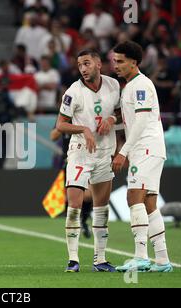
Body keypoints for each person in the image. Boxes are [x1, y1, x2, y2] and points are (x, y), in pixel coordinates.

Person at [57, 49, 121, 272]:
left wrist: (112, 118)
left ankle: (100, 260)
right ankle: (73, 259)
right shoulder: (73, 92)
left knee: (101, 208)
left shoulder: (114, 86)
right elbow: (61, 125)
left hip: (105, 152)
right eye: (79, 65)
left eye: (86, 63)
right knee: (74, 204)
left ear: (98, 64)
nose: (83, 69)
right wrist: (84, 128)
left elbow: (124, 113)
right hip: (80, 153)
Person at [112, 40, 172, 273]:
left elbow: (142, 121)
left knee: (133, 198)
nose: (116, 65)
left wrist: (123, 151)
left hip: (145, 148)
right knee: (149, 204)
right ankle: (163, 260)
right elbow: (130, 122)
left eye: (120, 61)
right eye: (114, 61)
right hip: (149, 148)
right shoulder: (130, 86)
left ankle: (141, 257)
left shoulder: (140, 85)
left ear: (134, 62)